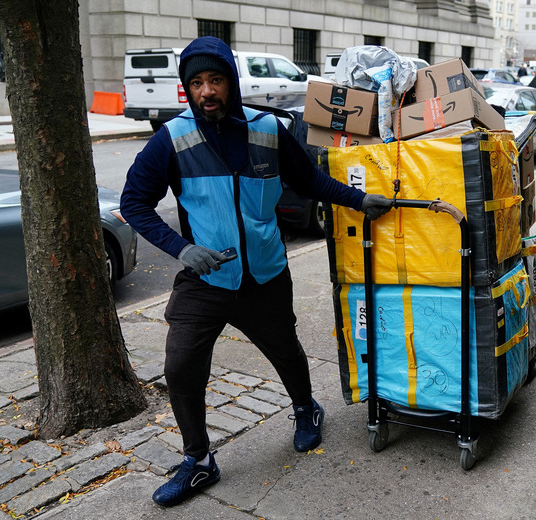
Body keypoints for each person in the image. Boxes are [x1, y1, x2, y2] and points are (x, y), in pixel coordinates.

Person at [120, 36, 392, 508]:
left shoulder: (268, 129)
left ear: (232, 82)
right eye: (198, 83)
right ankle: (199, 460)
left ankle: (306, 409)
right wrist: (182, 249)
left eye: (216, 80)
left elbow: (309, 180)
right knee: (180, 367)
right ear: (188, 89)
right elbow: (134, 204)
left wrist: (357, 200)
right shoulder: (172, 137)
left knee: (285, 351)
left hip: (265, 274)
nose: (208, 91)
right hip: (204, 280)